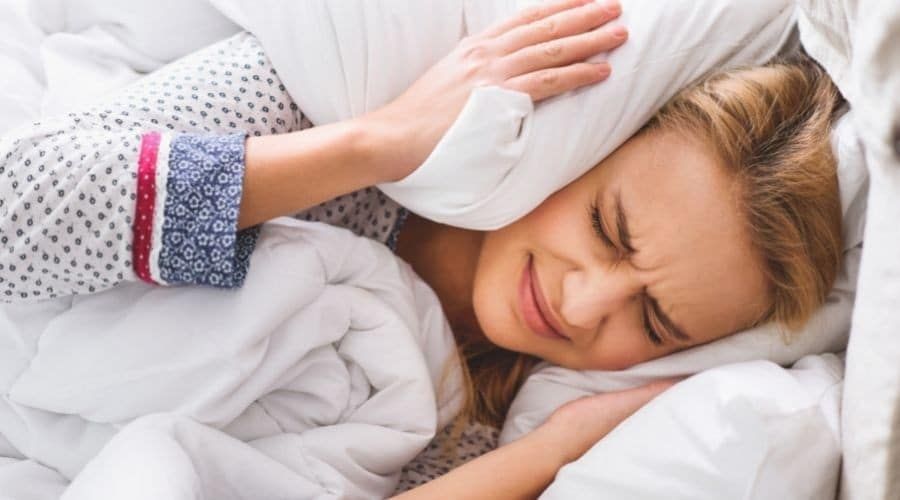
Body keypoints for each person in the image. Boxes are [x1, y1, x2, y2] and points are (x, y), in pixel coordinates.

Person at [0, 0, 843, 497]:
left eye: (654, 321)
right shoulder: (321, 116)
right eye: (606, 228)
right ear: (583, 149)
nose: (584, 306)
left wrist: (549, 453)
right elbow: (15, 218)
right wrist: (378, 141)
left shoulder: (481, 409)